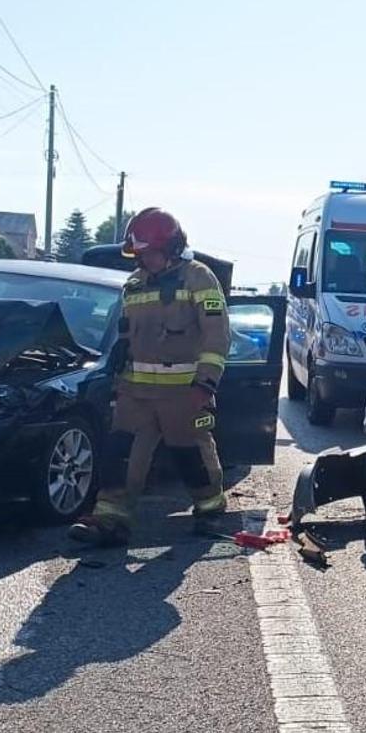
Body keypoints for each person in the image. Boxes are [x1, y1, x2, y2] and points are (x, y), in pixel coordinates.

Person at [71, 207, 230, 546]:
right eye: (139, 254)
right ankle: (110, 519)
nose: (143, 261)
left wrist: (206, 383)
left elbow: (216, 336)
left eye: (149, 253)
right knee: (122, 456)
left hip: (185, 393)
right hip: (136, 392)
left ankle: (210, 510)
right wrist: (117, 366)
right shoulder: (134, 284)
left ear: (171, 248)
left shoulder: (199, 278)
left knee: (194, 456)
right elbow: (128, 336)